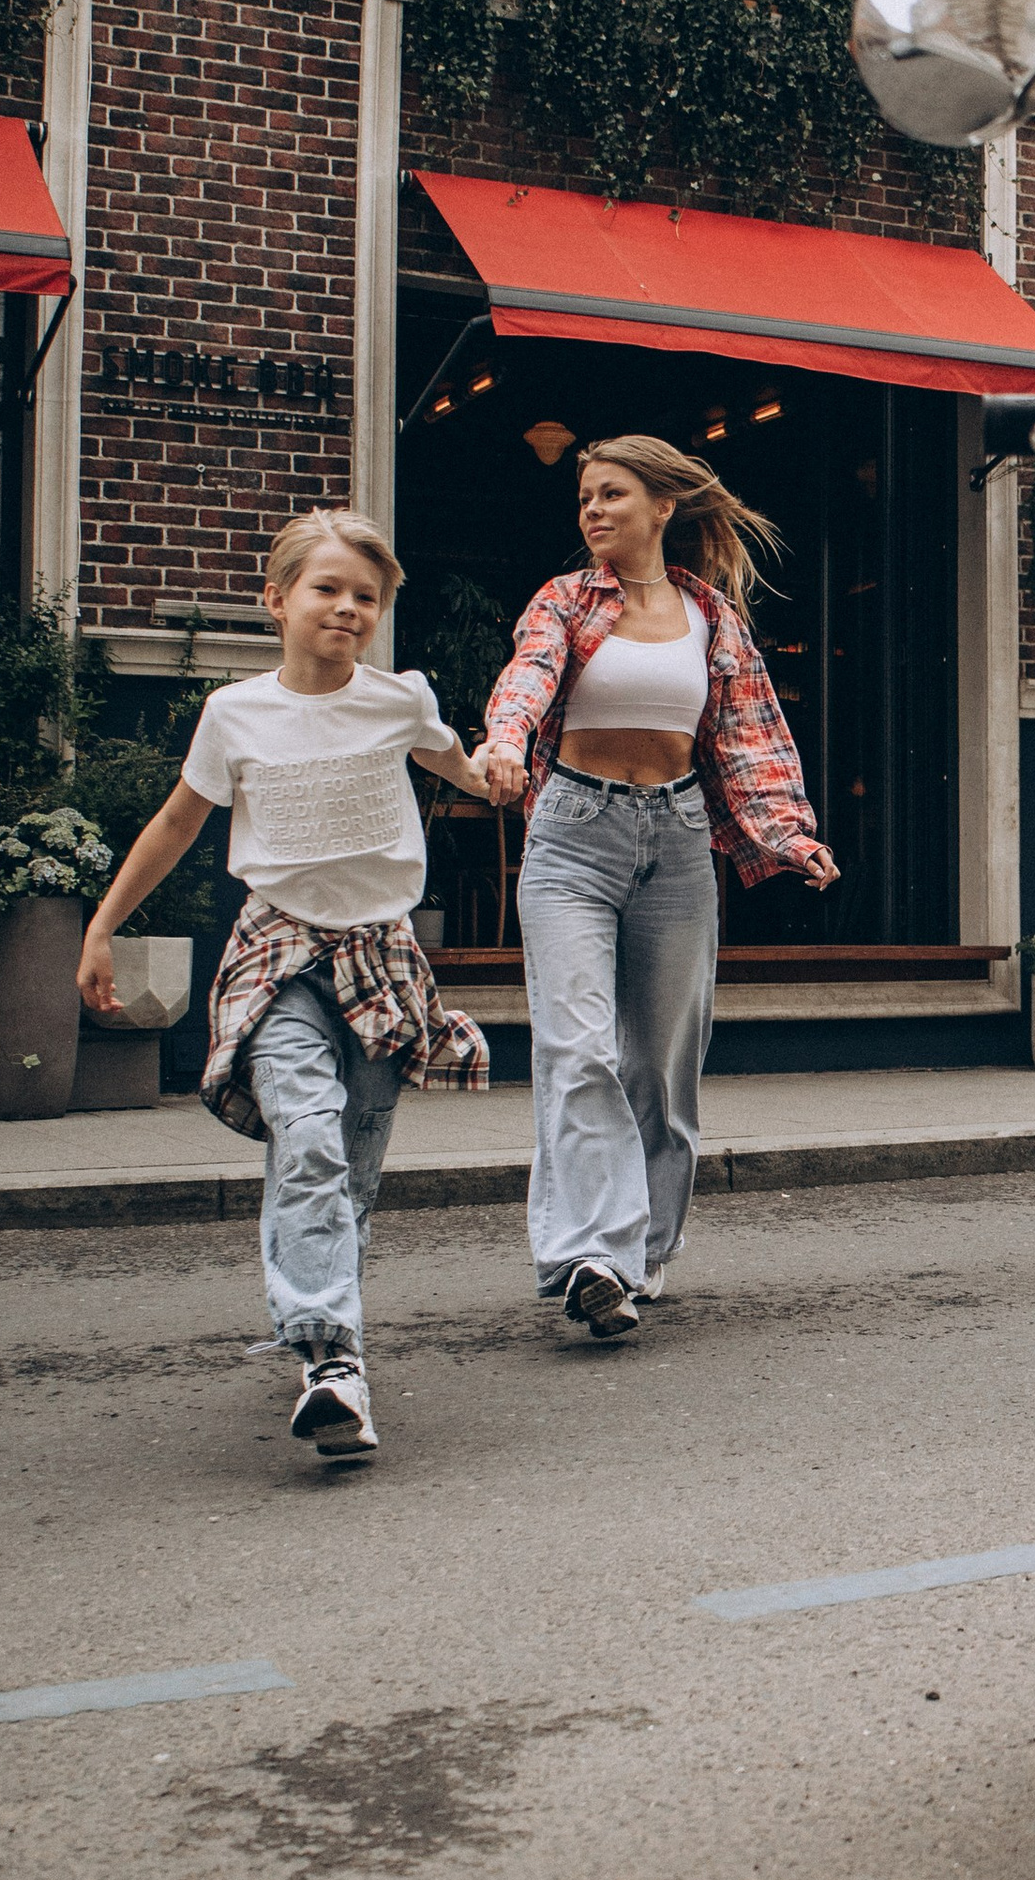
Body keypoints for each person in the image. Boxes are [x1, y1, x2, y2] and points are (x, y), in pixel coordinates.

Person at [78, 508, 496, 1468]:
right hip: (277, 954)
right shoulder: (235, 713)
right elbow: (179, 823)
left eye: (366, 597)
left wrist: (500, 769)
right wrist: (103, 925)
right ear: (276, 601)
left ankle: (326, 1331)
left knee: (349, 1170)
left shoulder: (399, 702)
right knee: (304, 1136)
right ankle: (329, 1360)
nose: (348, 608)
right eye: (327, 589)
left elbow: (467, 772)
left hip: (383, 959)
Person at [476, 430, 837, 1342]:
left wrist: (789, 838)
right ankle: (591, 1255)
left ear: (663, 506)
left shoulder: (711, 616)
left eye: (612, 495)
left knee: (665, 1067)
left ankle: (642, 1249)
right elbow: (527, 679)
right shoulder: (564, 600)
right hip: (573, 839)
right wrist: (505, 745)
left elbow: (748, 740)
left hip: (675, 842)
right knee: (579, 1048)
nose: (593, 511)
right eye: (586, 498)